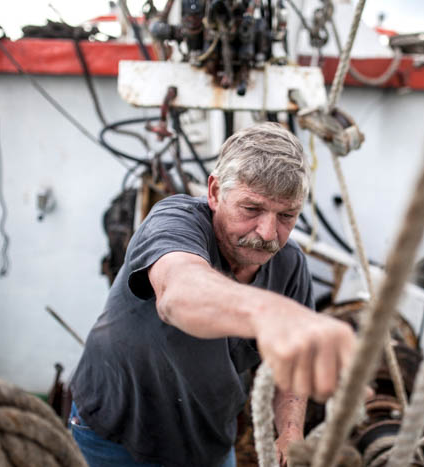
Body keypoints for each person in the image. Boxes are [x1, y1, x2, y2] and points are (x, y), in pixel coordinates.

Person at [69, 122, 356, 467]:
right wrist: (271, 314)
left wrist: (290, 431)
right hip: (113, 434)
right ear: (215, 192)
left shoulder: (290, 265)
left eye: (287, 215)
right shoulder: (174, 221)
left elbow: (289, 372)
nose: (267, 233)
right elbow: (180, 292)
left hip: (208, 442)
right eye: (251, 209)